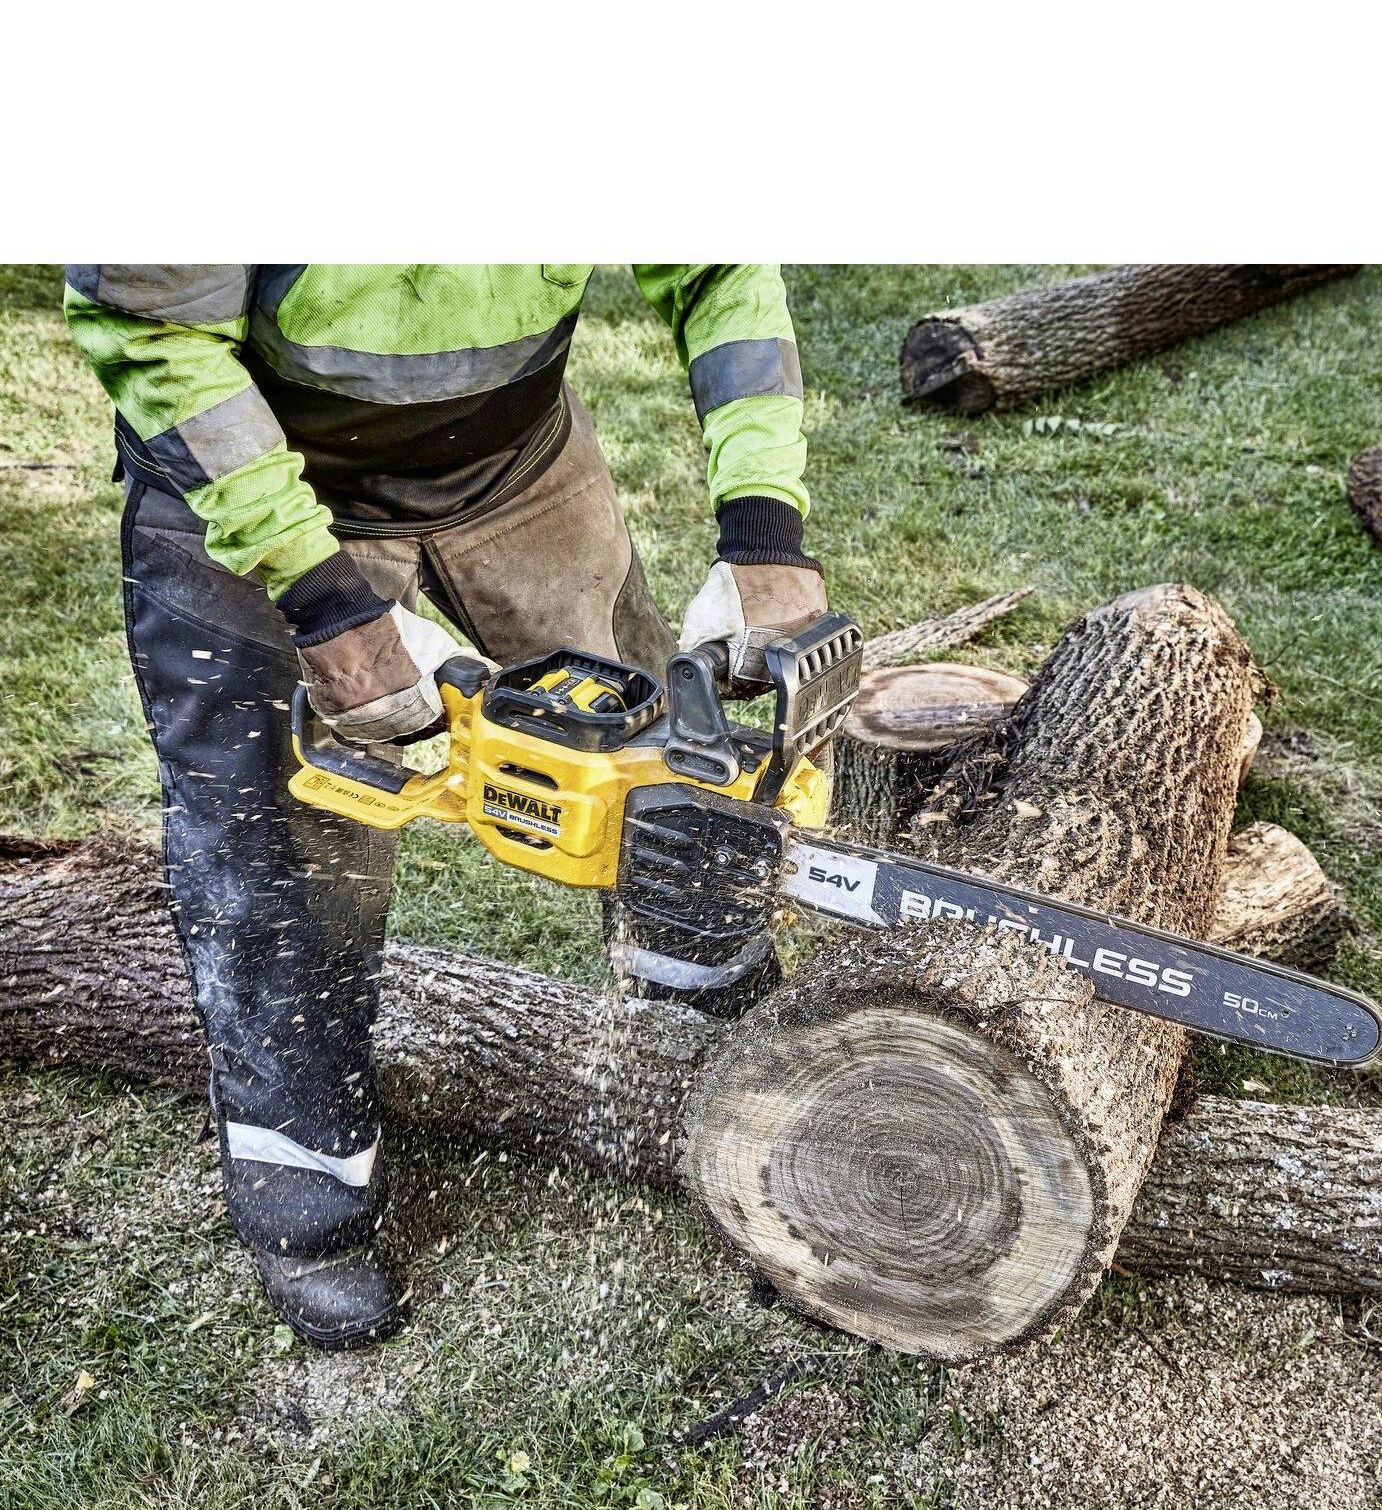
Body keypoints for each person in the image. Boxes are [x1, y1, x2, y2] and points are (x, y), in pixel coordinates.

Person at [64, 265, 826, 1350]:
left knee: (671, 786)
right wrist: (322, 601)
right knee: (281, 865)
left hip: (520, 466)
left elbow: (720, 264)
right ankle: (306, 1203)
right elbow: (155, 334)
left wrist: (763, 528)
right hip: (248, 470)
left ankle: (744, 1093)